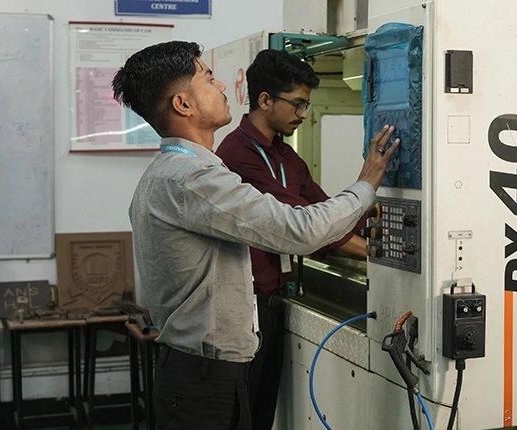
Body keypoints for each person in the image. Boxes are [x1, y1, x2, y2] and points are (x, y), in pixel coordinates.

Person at [113, 40, 399, 430]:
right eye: (209, 78)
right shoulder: (194, 179)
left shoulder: (168, 173)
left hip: (197, 370)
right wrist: (366, 185)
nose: (222, 86)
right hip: (204, 379)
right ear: (183, 104)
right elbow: (299, 229)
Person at [214, 49, 367, 430]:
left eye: (306, 106)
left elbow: (325, 211)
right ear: (265, 100)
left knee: (263, 409)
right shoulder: (237, 155)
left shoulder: (286, 157)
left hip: (274, 301)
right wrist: (372, 253)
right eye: (297, 104)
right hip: (245, 307)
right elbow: (302, 225)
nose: (303, 114)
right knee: (243, 414)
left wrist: (374, 223)